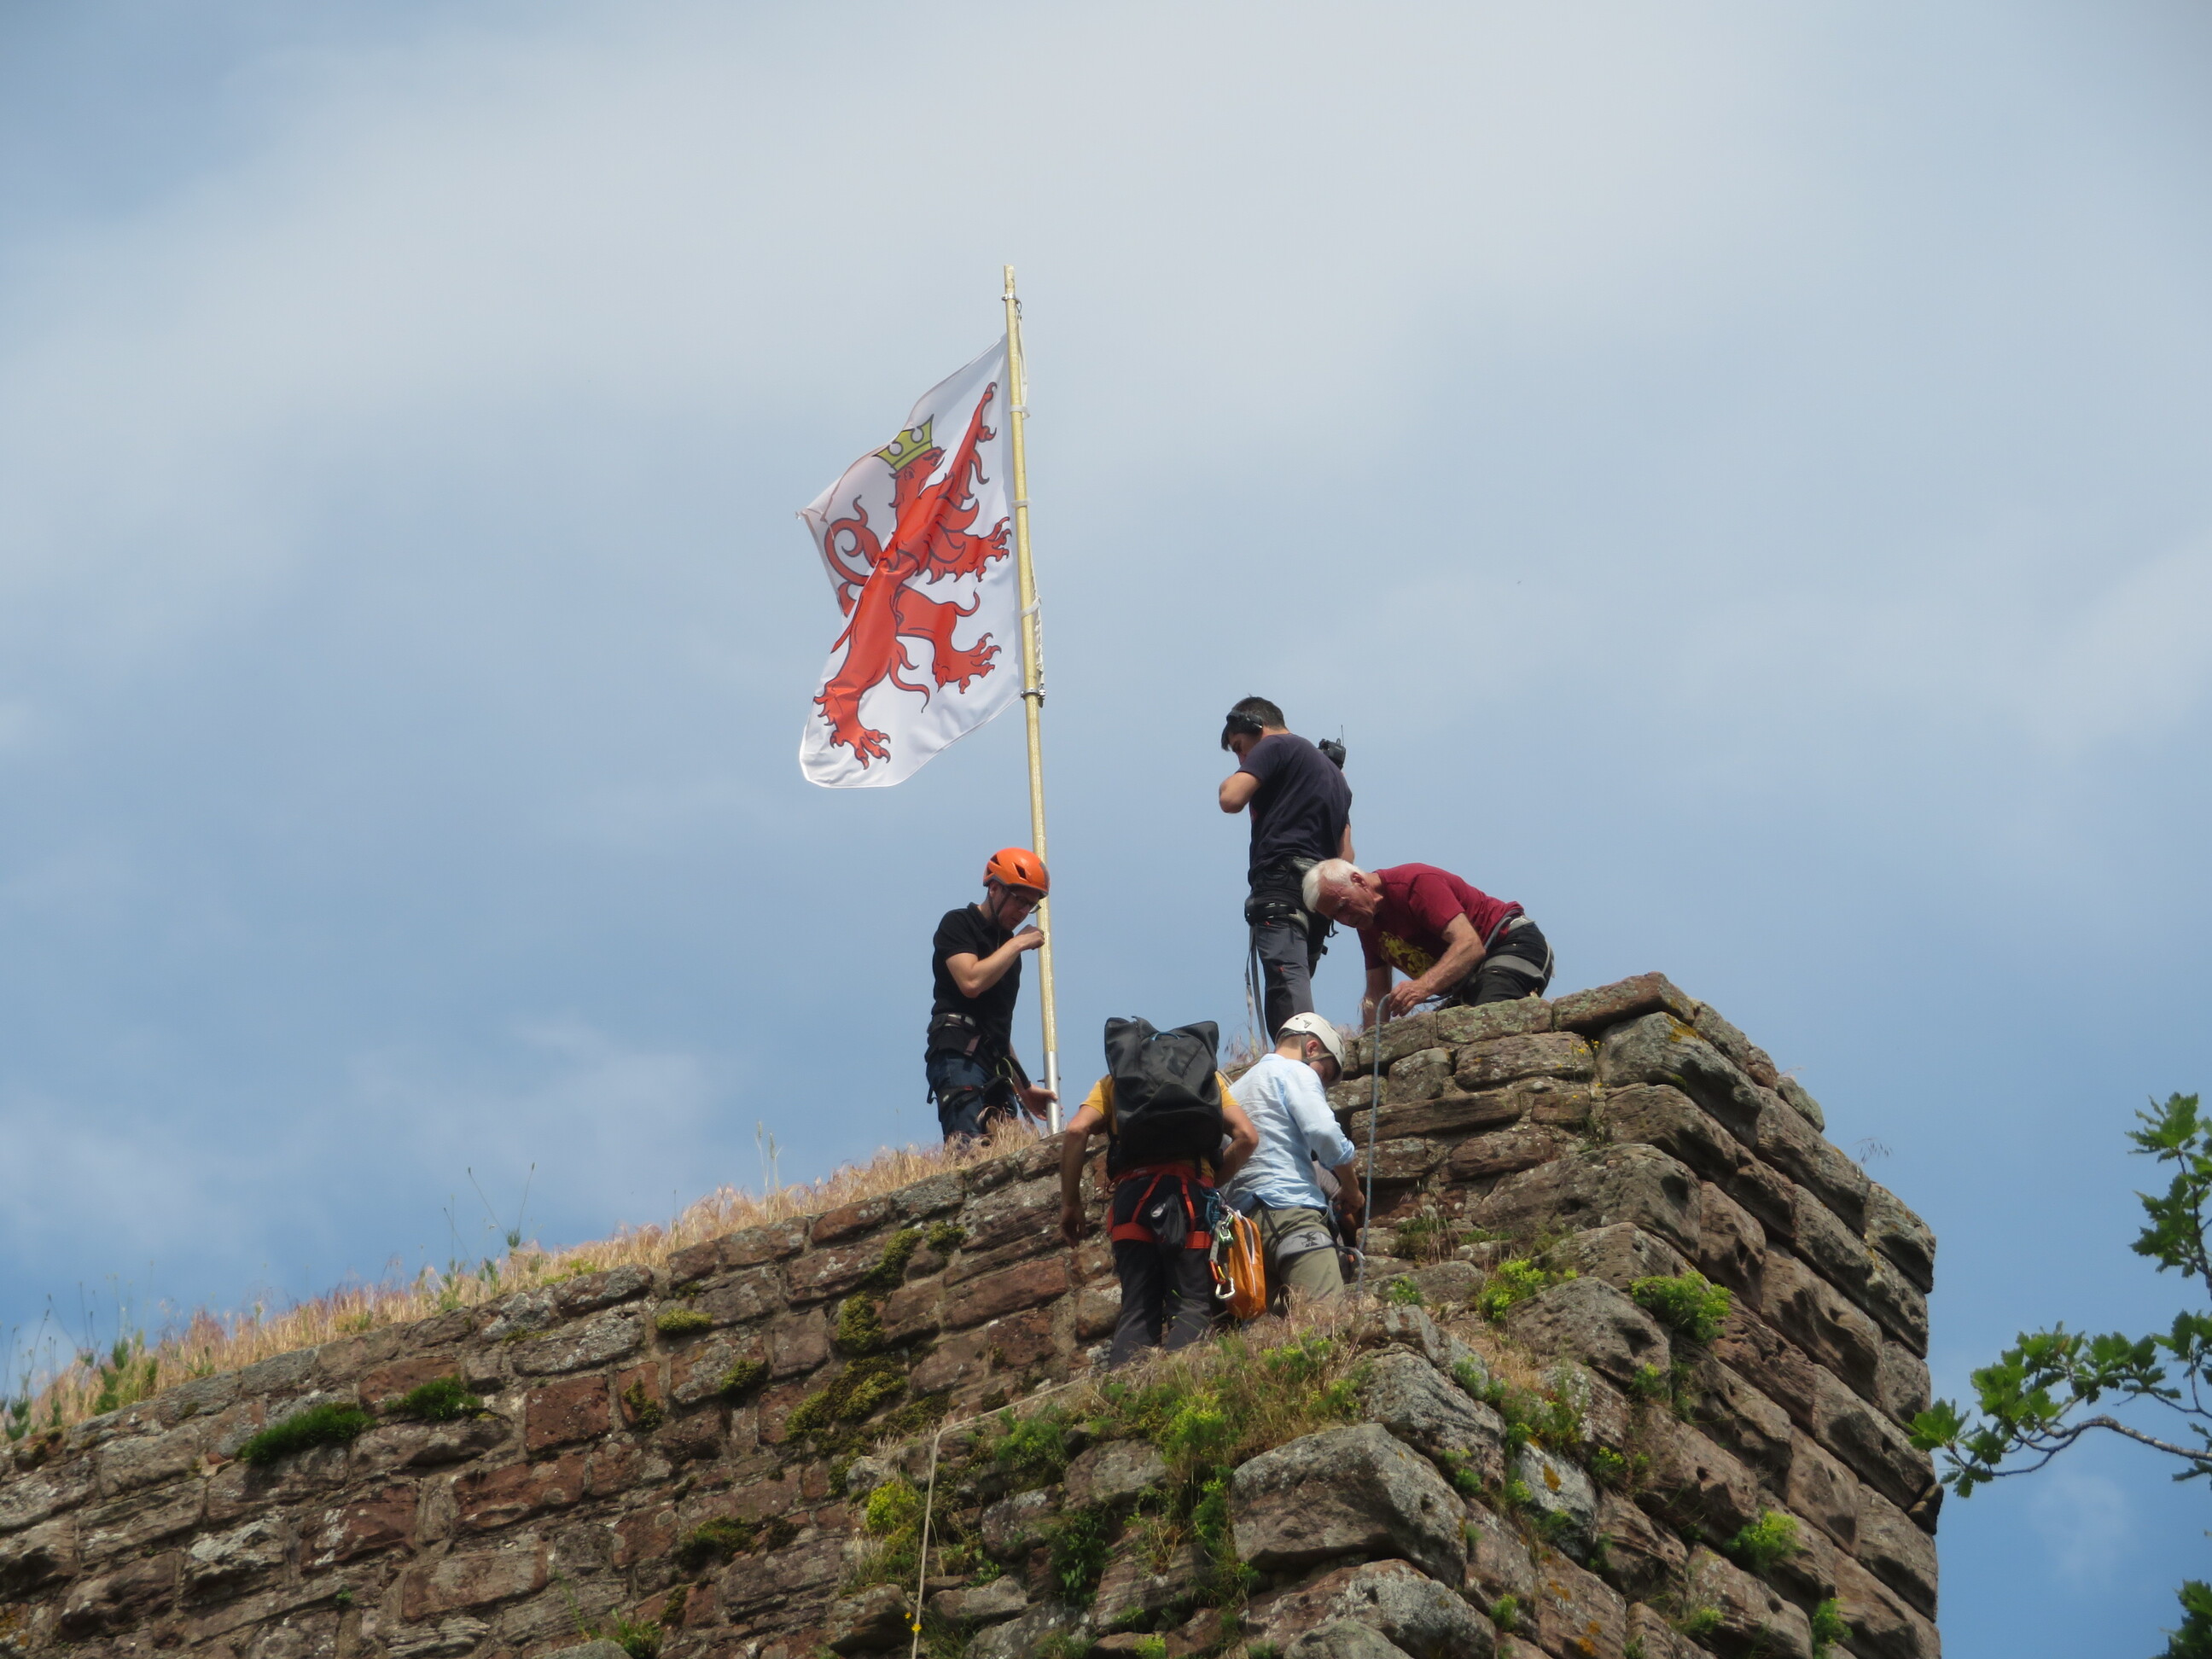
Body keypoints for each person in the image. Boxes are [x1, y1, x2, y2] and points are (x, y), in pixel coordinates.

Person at [1058, 1021, 1260, 1367]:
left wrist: (1070, 1203)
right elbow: (1247, 1136)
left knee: (1137, 1309)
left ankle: (1127, 1392)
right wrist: (1209, 1181)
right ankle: (1181, 1387)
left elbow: (1076, 1130)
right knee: (1192, 1303)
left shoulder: (1114, 1082)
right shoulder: (1207, 1082)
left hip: (1133, 1200)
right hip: (1190, 1196)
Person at [1216, 697, 1353, 1040]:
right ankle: (1304, 1049)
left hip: (1281, 880)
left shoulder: (1275, 745)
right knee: (1297, 977)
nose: (1242, 759)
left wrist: (1230, 781)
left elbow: (1230, 799)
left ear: (1254, 725)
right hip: (1320, 893)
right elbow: (1346, 856)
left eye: (1239, 747)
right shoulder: (1336, 777)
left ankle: (1297, 1056)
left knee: (1285, 979)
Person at [1221, 1012, 1365, 1310]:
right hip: (1292, 1214)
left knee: (1264, 1333)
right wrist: (1351, 1188)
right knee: (1324, 1321)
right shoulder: (1295, 1071)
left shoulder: (1234, 1092)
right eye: (1324, 1074)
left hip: (1244, 1234)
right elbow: (1324, 1132)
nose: (1321, 1084)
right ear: (1312, 1048)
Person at [1302, 859, 1555, 1024]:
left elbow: (1469, 945)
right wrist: (1371, 1046)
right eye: (1335, 917)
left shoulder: (1414, 883)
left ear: (1358, 881)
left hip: (1509, 943)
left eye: (1342, 906)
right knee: (1437, 1044)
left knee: (1482, 1024)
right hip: (1469, 979)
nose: (1345, 920)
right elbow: (1376, 992)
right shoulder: (1367, 922)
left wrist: (1422, 986)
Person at [926, 848, 1058, 1142]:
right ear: (995, 888)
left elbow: (997, 1029)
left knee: (1006, 1149)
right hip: (959, 1053)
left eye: (1031, 905)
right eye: (1020, 900)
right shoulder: (959, 924)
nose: (1023, 912)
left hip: (994, 1065)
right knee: (969, 1145)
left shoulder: (1009, 954)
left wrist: (1024, 1087)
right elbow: (970, 981)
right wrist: (1017, 944)